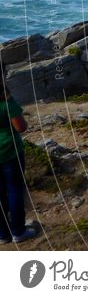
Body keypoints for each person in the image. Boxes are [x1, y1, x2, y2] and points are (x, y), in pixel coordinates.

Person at [0, 68, 36, 244]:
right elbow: (20, 127)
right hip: (10, 152)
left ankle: (2, 235)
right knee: (14, 189)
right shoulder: (7, 101)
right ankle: (18, 232)